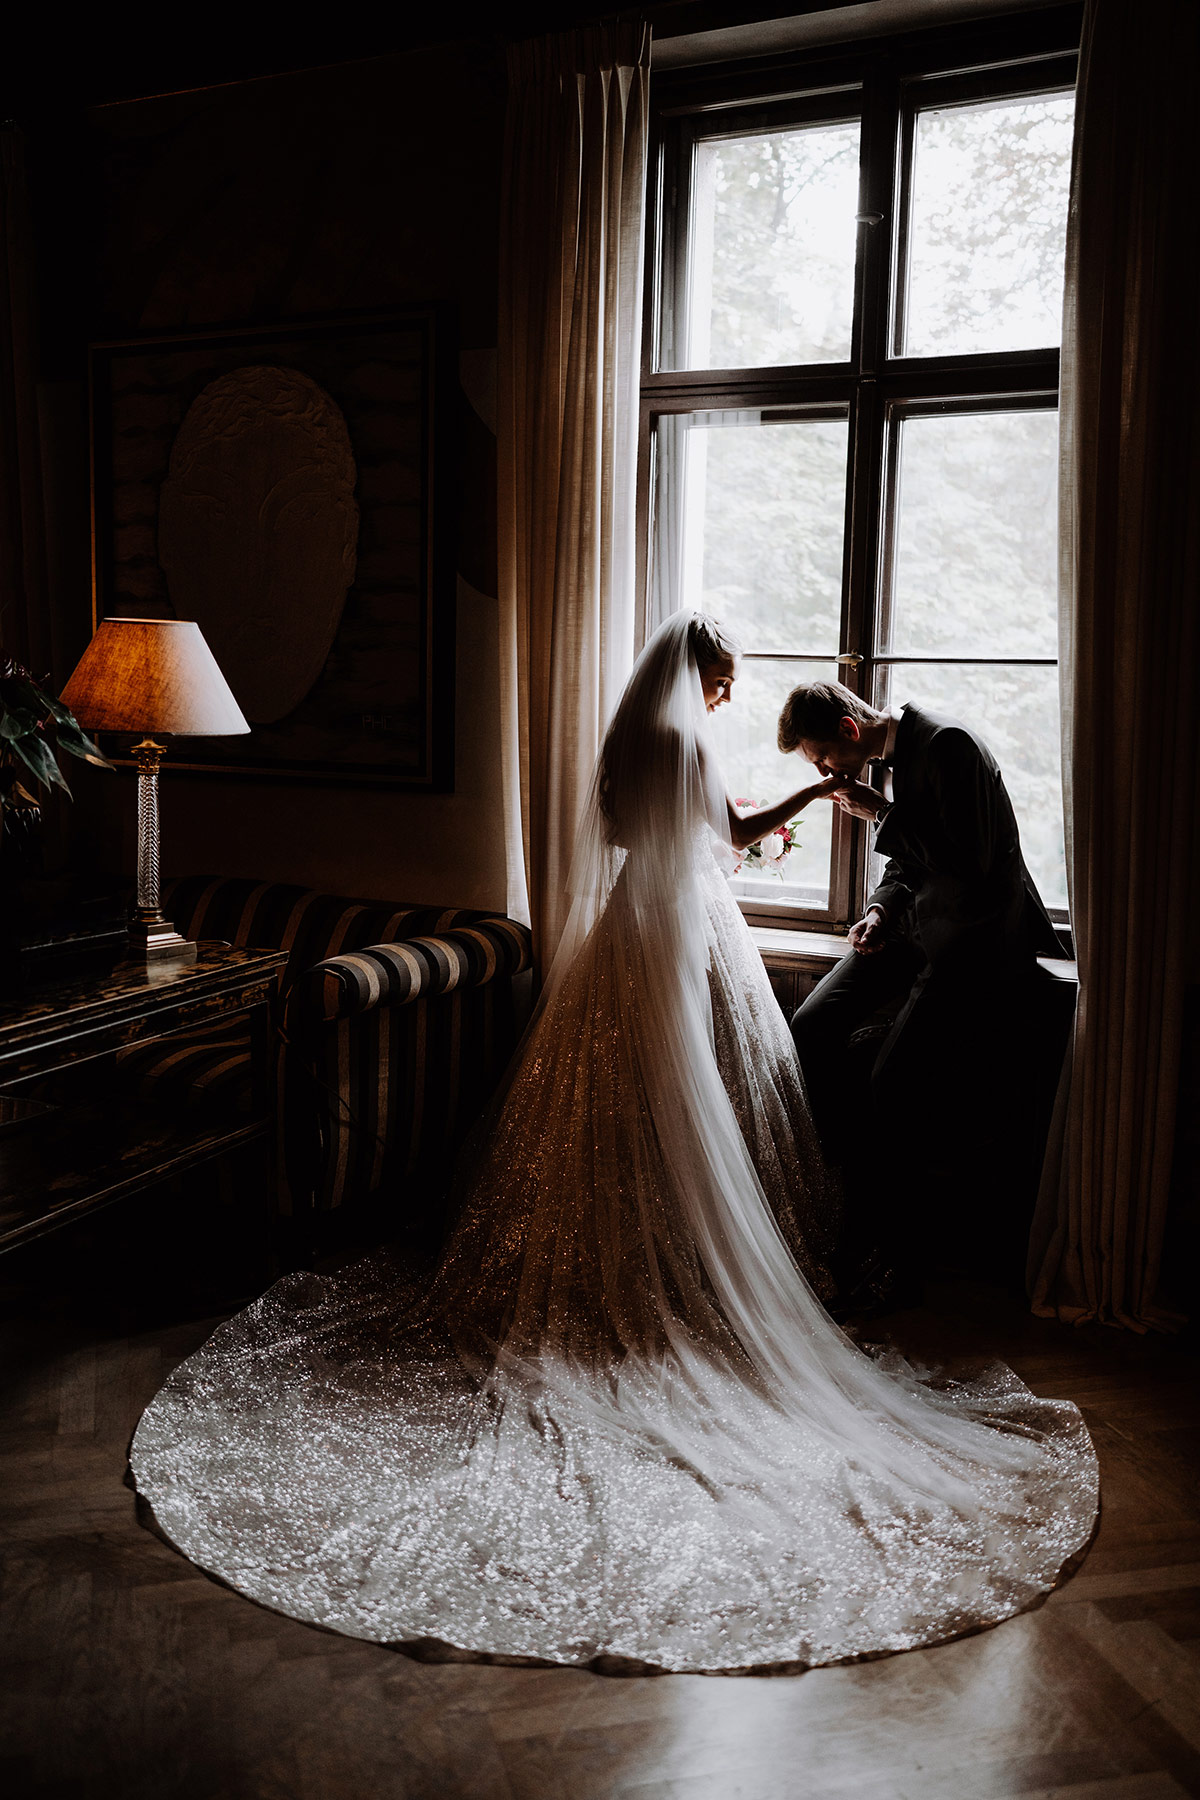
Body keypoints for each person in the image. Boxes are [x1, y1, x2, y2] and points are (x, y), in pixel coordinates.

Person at [130, 614, 1095, 1676]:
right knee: (685, 1104)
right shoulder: (686, 744)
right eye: (723, 684)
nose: (723, 700)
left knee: (612, 1104)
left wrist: (804, 832)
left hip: (631, 924)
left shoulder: (628, 741)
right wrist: (817, 802)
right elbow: (725, 838)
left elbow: (649, 831)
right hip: (683, 927)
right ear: (698, 679)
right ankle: (683, 1262)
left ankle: (636, 1244)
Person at [779, 682, 1065, 1285]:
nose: (827, 774)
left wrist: (880, 814)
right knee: (811, 1026)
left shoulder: (949, 745)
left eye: (822, 758)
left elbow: (969, 861)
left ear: (849, 731)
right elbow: (907, 864)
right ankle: (849, 1194)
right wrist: (879, 910)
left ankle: (894, 1256)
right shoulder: (890, 759)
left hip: (972, 940)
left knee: (894, 1080)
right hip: (911, 927)